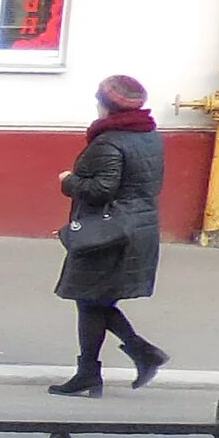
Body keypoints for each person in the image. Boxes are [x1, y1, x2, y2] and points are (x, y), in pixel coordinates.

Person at [49, 73, 169, 397]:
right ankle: (104, 366)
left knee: (90, 299)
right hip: (138, 228)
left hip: (111, 234)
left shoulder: (110, 141)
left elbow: (101, 189)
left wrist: (69, 181)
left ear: (107, 105)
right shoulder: (150, 136)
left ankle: (125, 358)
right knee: (94, 300)